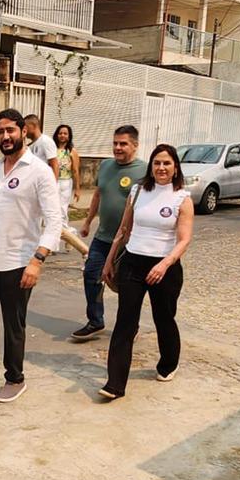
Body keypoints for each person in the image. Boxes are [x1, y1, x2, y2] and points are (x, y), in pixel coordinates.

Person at [0, 109, 63, 404]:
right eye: (0, 132)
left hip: (20, 261)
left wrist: (37, 261)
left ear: (24, 132)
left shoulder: (39, 170)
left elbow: (54, 221)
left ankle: (15, 379)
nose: (5, 137)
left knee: (12, 325)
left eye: (10, 131)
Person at [98, 144, 194, 400]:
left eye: (167, 163)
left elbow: (184, 239)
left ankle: (168, 363)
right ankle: (115, 384)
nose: (161, 168)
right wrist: (109, 261)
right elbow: (123, 229)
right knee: (125, 322)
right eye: (157, 163)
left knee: (164, 318)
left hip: (166, 267)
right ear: (151, 166)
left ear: (175, 168)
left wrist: (164, 265)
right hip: (132, 263)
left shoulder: (182, 198)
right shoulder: (138, 191)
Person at [72, 126, 148, 342]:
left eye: (123, 143)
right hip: (103, 237)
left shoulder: (144, 171)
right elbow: (98, 195)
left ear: (135, 145)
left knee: (126, 287)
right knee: (91, 276)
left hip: (129, 242)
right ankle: (96, 321)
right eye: (115, 143)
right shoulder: (105, 166)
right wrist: (87, 221)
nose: (117, 147)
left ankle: (129, 326)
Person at [53, 124, 81, 227]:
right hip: (53, 181)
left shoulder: (72, 151)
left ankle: (64, 229)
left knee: (62, 208)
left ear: (69, 136)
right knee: (52, 207)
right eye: (60, 133)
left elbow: (75, 170)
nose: (62, 135)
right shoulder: (52, 149)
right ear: (56, 135)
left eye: (65, 133)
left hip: (65, 182)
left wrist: (77, 189)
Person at [24, 114, 60, 178]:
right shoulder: (31, 145)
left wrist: (53, 184)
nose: (24, 131)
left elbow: (55, 165)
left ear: (33, 126)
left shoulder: (46, 141)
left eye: (26, 127)